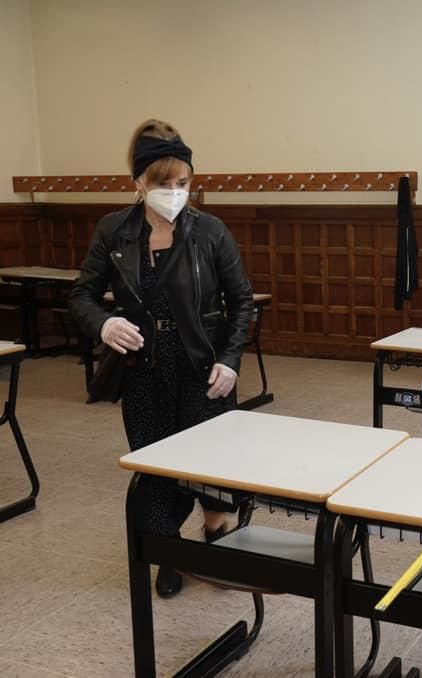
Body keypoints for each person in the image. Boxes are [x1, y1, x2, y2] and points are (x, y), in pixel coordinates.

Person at [70, 119, 254, 598]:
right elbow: (82, 295)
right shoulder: (114, 231)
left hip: (202, 364)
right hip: (145, 368)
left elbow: (242, 302)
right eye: (162, 184)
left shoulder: (210, 231)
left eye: (183, 183)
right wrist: (104, 324)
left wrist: (230, 360)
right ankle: (167, 552)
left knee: (210, 463)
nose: (174, 192)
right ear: (138, 183)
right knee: (155, 466)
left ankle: (216, 538)